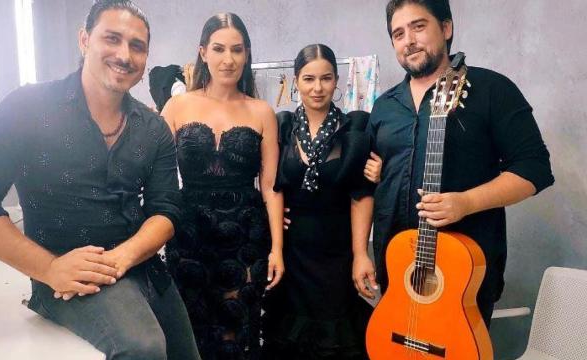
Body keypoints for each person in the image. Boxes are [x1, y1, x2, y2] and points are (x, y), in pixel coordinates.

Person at [0, 1, 200, 359]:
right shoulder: (29, 107)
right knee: (142, 350)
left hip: (140, 265)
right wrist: (49, 268)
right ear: (84, 40)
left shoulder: (153, 127)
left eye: (137, 46)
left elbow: (166, 209)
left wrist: (122, 258)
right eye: (111, 38)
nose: (124, 54)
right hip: (64, 271)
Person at [364, 0, 554, 326]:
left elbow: (535, 168)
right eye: (398, 33)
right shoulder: (384, 107)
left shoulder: (492, 89)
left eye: (418, 26)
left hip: (464, 277)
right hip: (396, 272)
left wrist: (466, 202)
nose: (408, 39)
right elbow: (368, 181)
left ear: (446, 28)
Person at [160, 13, 284, 360]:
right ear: (203, 52)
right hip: (189, 232)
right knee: (192, 328)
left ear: (246, 55)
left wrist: (277, 247)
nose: (228, 59)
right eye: (218, 49)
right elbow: (156, 176)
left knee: (236, 329)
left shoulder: (261, 111)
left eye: (237, 50)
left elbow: (271, 185)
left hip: (245, 233)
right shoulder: (177, 106)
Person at [261, 44, 379, 360]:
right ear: (296, 80)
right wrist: (275, 244)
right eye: (309, 79)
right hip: (294, 250)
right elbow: (270, 186)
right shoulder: (282, 125)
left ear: (337, 81)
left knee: (337, 337)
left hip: (337, 252)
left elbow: (361, 194)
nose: (317, 88)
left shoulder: (355, 126)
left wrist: (360, 254)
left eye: (326, 79)